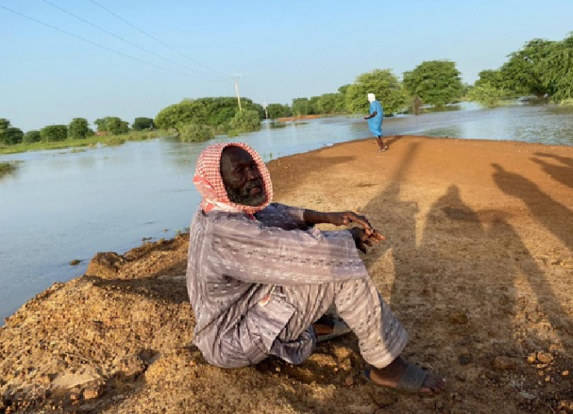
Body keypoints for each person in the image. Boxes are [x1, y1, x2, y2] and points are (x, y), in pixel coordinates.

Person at [186, 142, 447, 395]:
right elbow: (301, 250)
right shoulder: (225, 230)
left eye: (252, 166)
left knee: (306, 264)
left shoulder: (215, 209)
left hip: (245, 310)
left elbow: (272, 213)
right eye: (239, 172)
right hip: (231, 340)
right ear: (217, 182)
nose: (252, 175)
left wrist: (328, 217)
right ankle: (388, 368)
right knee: (338, 268)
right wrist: (349, 238)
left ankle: (316, 324)